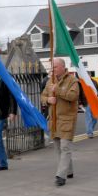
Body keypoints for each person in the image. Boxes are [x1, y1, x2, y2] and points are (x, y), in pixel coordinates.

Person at [41, 58, 79, 186]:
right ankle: (69, 171)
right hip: (54, 120)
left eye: (55, 67)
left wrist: (57, 90)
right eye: (52, 67)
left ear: (63, 67)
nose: (53, 70)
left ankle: (60, 176)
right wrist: (48, 100)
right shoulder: (50, 81)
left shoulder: (72, 80)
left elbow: (73, 96)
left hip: (67, 119)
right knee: (58, 147)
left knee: (65, 147)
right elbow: (43, 96)